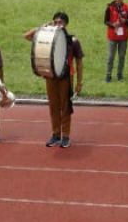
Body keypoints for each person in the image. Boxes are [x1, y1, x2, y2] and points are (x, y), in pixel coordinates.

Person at [24, 12, 84, 148]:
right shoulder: (47, 37)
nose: (58, 24)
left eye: (61, 22)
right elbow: (27, 36)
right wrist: (44, 26)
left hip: (66, 77)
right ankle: (56, 134)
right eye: (55, 22)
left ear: (66, 24)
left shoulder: (72, 40)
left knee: (66, 107)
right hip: (51, 76)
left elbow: (79, 62)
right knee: (53, 106)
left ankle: (66, 136)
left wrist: (79, 82)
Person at [103, 0, 128, 82]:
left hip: (123, 37)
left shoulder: (127, 8)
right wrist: (113, 24)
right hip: (112, 36)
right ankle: (108, 75)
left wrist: (125, 21)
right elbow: (105, 21)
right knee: (111, 56)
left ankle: (120, 75)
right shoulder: (109, 8)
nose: (118, 0)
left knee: (121, 56)